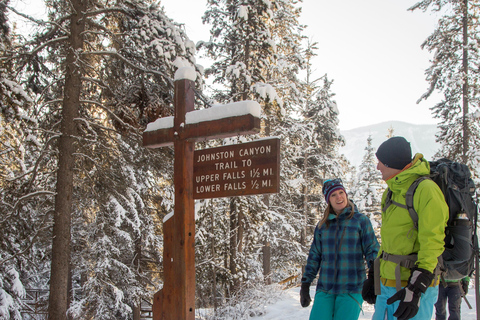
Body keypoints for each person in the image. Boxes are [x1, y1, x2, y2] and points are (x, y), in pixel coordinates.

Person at [363, 136, 448, 320]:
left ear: (391, 162)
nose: (378, 167)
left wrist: (415, 289)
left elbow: (432, 243)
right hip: (386, 287)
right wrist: (373, 276)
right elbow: (389, 241)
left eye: (380, 162)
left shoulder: (426, 190)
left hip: (411, 290)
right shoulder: (391, 192)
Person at [300, 178, 379, 320]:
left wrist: (375, 278)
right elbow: (314, 256)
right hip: (325, 288)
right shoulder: (322, 226)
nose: (339, 197)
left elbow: (372, 251)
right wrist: (306, 283)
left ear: (346, 194)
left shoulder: (360, 221)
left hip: (352, 288)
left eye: (341, 192)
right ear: (328, 200)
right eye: (333, 195)